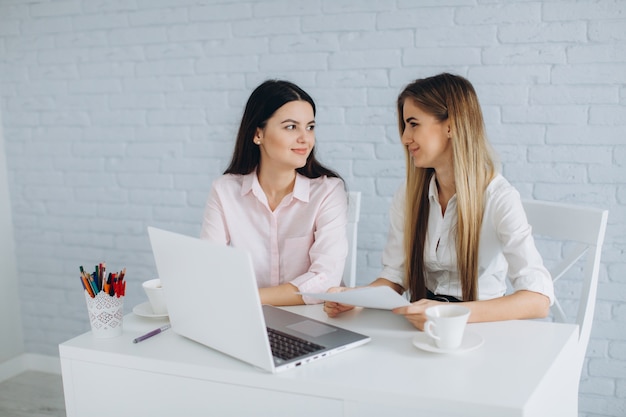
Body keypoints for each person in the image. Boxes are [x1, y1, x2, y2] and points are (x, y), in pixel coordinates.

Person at [324, 73, 554, 330]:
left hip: (481, 327)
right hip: (420, 325)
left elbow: (538, 300)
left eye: (413, 124)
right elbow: (395, 275)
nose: (405, 138)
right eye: (405, 126)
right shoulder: (409, 194)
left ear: (451, 125)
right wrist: (355, 298)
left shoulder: (499, 197)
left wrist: (447, 312)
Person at [201, 80, 348, 306]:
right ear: (257, 134)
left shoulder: (328, 191)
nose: (305, 138)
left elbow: (325, 279)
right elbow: (210, 267)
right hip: (247, 317)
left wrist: (245, 298)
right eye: (291, 127)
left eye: (310, 127)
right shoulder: (224, 190)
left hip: (311, 319)